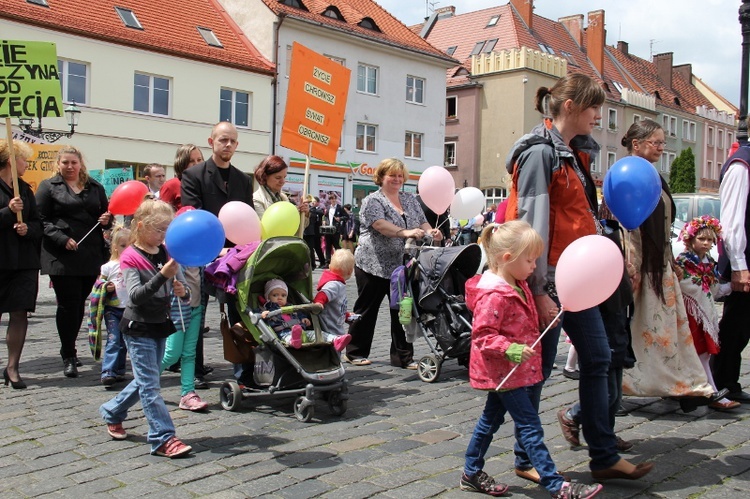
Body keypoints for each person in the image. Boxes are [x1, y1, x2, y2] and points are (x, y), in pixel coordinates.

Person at [505, 74, 652, 480]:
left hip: (579, 278)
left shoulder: (576, 153)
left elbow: (574, 215)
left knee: (600, 358)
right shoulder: (540, 153)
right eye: (592, 109)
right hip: (550, 278)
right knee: (540, 367)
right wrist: (538, 290)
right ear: (569, 106)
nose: (597, 117)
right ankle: (525, 458)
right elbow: (529, 223)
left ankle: (603, 456)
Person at [460, 220, 602, 499]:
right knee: (529, 425)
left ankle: (470, 471)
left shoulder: (518, 283)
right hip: (504, 372)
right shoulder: (493, 294)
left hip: (515, 372)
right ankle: (555, 484)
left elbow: (521, 322)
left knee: (490, 420)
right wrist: (510, 349)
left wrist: (544, 318)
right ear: (507, 258)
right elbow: (483, 335)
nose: (534, 266)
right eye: (530, 260)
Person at [619, 120, 723, 413]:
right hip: (642, 268)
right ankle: (668, 386)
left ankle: (684, 386)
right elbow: (631, 228)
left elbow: (662, 226)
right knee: (649, 330)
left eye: (663, 142)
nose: (662, 148)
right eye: (656, 142)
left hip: (658, 265)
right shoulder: (630, 174)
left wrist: (670, 261)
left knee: (667, 329)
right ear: (637, 144)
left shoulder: (653, 174)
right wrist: (635, 268)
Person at [99, 199, 192, 458]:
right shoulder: (130, 256)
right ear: (141, 226)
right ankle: (163, 437)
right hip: (137, 325)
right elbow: (135, 296)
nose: (164, 236)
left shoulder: (166, 251)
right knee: (151, 385)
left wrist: (182, 291)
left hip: (160, 324)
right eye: (160, 230)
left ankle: (112, 411)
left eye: (167, 230)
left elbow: (183, 290)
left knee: (146, 379)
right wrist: (163, 275)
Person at [344, 158, 442, 368]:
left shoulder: (409, 199)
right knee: (366, 310)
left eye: (400, 175)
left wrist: (430, 231)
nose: (397, 179)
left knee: (402, 311)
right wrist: (404, 232)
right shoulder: (373, 200)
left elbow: (422, 221)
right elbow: (380, 225)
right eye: (392, 175)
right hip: (373, 264)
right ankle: (354, 352)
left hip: (402, 265)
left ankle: (402, 357)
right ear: (381, 177)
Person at [181, 122, 255, 385]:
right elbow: (194, 215)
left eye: (233, 141)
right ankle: (195, 371)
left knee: (240, 314)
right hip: (201, 254)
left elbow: (246, 218)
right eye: (223, 140)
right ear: (211, 141)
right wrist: (215, 247)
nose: (228, 145)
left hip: (234, 257)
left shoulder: (243, 179)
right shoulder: (194, 175)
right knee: (196, 316)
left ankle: (243, 374)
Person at [36, 146, 112, 378]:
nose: (70, 167)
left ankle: (69, 347)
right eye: (65, 163)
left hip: (89, 254)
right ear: (58, 164)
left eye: (74, 163)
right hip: (62, 255)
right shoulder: (49, 187)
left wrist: (107, 220)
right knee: (68, 304)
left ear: (81, 164)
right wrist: (61, 238)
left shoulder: (95, 187)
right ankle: (68, 353)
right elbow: (40, 219)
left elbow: (107, 216)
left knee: (79, 303)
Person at [675, 216, 738, 411]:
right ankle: (711, 392)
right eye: (702, 238)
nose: (706, 243)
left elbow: (714, 288)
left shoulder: (709, 262)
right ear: (690, 239)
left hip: (704, 316)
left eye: (710, 240)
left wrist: (731, 287)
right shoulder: (683, 262)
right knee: (698, 353)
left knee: (702, 354)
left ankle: (699, 391)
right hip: (690, 315)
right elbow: (684, 286)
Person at [0, 139, 42, 389]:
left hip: (24, 262)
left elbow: (38, 223)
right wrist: (7, 212)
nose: (27, 163)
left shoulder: (25, 189)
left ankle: (12, 367)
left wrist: (29, 228)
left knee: (19, 313)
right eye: (23, 159)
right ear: (10, 161)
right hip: (1, 260)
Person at [713, 136, 750, 403]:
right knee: (736, 326)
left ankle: (729, 381)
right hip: (744, 263)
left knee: (742, 327)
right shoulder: (741, 165)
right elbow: (733, 220)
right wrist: (739, 266)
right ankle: (721, 382)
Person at [160, 263, 208, 411]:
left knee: (189, 354)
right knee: (172, 355)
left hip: (196, 309)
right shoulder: (175, 261)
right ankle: (144, 381)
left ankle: (188, 393)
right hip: (177, 312)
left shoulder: (201, 262)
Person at [260, 279, 351, 351]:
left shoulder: (291, 307)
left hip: (301, 332)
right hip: (283, 333)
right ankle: (294, 340)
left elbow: (299, 314)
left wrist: (304, 319)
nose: (280, 298)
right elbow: (258, 316)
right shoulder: (268, 308)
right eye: (275, 295)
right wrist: (262, 314)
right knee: (288, 338)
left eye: (283, 295)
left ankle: (335, 339)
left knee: (316, 334)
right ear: (267, 297)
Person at [97, 225, 131, 386]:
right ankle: (108, 370)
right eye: (123, 245)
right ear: (116, 247)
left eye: (130, 245)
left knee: (124, 340)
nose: (127, 249)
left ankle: (119, 369)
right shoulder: (109, 266)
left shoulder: (133, 263)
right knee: (113, 339)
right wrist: (105, 286)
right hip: (113, 309)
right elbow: (98, 283)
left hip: (129, 308)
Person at [313, 249, 357, 337]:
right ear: (350, 272)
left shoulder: (337, 283)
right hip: (329, 330)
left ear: (329, 266)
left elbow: (336, 307)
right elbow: (323, 293)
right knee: (333, 349)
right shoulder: (334, 284)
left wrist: (346, 315)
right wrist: (319, 302)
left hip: (335, 328)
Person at [252, 155, 309, 220]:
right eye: (278, 178)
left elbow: (295, 228)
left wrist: (303, 213)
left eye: (284, 177)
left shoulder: (283, 198)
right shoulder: (257, 200)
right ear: (265, 176)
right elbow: (264, 227)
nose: (283, 181)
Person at [159, 145, 204, 211]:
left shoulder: (208, 182)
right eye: (191, 161)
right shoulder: (171, 185)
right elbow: (162, 214)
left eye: (199, 160)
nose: (196, 164)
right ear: (182, 163)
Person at [322, 193, 346, 268]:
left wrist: (340, 219)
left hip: (336, 230)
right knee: (328, 246)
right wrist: (324, 221)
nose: (333, 200)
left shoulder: (340, 207)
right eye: (331, 199)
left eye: (334, 199)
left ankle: (341, 260)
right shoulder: (328, 207)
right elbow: (325, 216)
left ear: (336, 199)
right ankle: (327, 262)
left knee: (336, 246)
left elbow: (346, 216)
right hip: (328, 229)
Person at [303, 195, 326, 270]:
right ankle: (312, 264)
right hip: (308, 232)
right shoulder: (310, 209)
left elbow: (320, 213)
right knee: (310, 248)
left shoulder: (315, 209)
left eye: (314, 201)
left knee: (314, 248)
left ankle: (316, 264)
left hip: (313, 232)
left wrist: (309, 209)